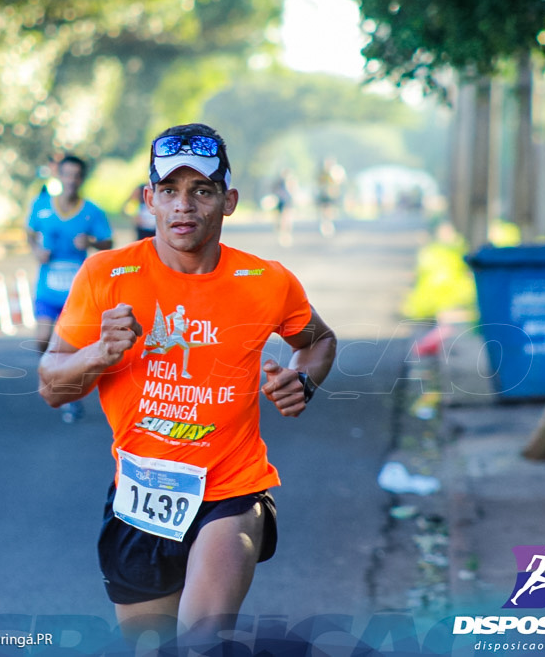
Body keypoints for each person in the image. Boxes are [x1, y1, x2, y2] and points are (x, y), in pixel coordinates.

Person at [37, 123, 337, 648]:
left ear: (229, 201)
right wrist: (100, 352)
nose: (185, 206)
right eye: (170, 191)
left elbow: (319, 340)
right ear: (149, 199)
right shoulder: (106, 275)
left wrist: (303, 381)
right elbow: (52, 386)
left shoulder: (266, 282)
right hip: (138, 499)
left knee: (200, 643)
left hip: (230, 491)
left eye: (202, 190)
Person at [26, 154, 113, 423]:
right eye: (67, 175)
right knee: (42, 339)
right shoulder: (41, 206)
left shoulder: (92, 211)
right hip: (48, 288)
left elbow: (108, 242)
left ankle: (71, 398)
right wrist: (37, 250)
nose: (72, 180)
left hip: (78, 294)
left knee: (73, 349)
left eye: (77, 175)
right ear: (59, 176)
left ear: (82, 179)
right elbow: (29, 233)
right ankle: (53, 373)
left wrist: (90, 241)